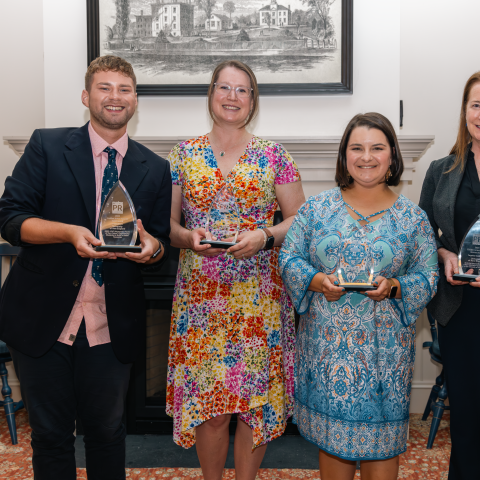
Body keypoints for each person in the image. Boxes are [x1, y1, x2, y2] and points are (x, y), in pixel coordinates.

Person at [0, 55, 172, 480]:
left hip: (111, 325)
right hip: (42, 319)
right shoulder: (47, 145)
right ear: (86, 96)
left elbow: (161, 245)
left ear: (135, 100)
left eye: (124, 89)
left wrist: (151, 248)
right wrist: (68, 233)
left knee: (108, 432)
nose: (115, 97)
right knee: (50, 435)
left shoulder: (156, 168)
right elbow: (10, 218)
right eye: (105, 87)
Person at [166, 60, 305, 480]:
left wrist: (263, 236)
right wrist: (189, 238)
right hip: (201, 301)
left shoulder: (274, 155)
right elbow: (168, 227)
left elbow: (298, 220)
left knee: (252, 409)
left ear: (252, 101)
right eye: (224, 88)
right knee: (210, 408)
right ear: (210, 94)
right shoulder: (182, 154)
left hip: (257, 301)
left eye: (242, 90)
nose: (232, 96)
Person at [279, 112, 438, 480]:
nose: (366, 157)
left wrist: (395, 287)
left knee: (383, 445)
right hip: (327, 353)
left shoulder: (413, 219)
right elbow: (288, 258)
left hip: (386, 358)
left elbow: (429, 276)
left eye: (377, 148)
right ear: (344, 155)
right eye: (357, 148)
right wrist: (317, 281)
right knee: (333, 444)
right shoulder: (316, 210)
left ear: (393, 156)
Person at [419, 71, 480, 480]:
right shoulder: (442, 170)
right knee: (468, 418)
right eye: (477, 104)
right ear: (464, 111)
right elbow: (422, 232)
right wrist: (443, 252)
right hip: (461, 311)